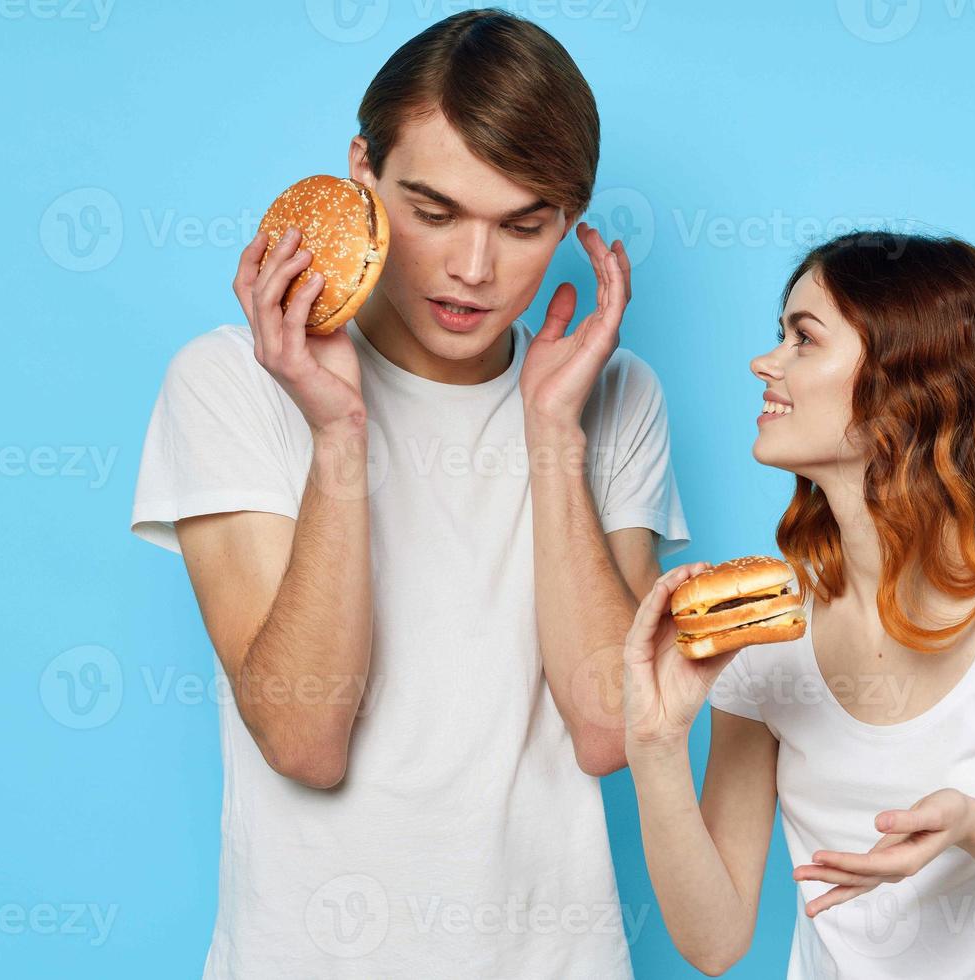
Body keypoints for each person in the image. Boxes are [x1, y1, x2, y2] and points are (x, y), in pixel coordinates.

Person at [128, 10, 688, 977]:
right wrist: (339, 433)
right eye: (435, 213)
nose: (474, 270)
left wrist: (553, 434)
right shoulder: (228, 383)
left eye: (524, 225)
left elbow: (609, 731)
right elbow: (306, 740)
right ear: (363, 176)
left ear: (572, 218)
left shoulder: (616, 395)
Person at [621, 231, 975, 977]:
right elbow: (714, 944)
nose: (765, 363)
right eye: (778, 333)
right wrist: (653, 747)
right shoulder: (767, 626)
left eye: (803, 339)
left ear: (908, 381)